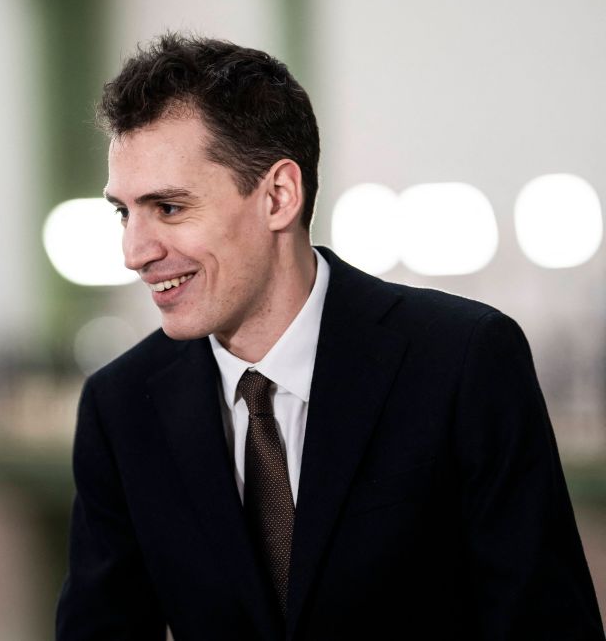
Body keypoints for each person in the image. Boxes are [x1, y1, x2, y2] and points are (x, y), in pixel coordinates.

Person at [55, 34, 604, 640]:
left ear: (278, 196)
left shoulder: (463, 361)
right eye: (124, 212)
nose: (134, 252)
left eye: (169, 208)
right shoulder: (121, 405)